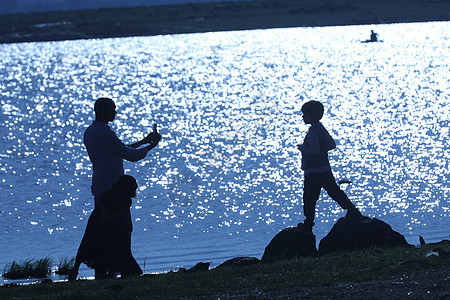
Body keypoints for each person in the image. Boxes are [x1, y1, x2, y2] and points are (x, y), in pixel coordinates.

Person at [297, 100, 362, 234]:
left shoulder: (313, 131)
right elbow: (332, 145)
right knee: (335, 192)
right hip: (325, 169)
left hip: (313, 172)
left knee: (309, 198)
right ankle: (353, 210)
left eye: (305, 114)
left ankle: (308, 224)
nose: (303, 117)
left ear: (313, 115)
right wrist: (322, 151)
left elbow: (314, 150)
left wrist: (303, 148)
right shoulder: (320, 129)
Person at [70, 175, 142, 280]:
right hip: (103, 223)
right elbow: (118, 212)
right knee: (117, 248)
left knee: (88, 245)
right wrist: (106, 216)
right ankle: (113, 270)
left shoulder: (108, 195)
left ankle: (76, 270)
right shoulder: (125, 200)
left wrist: (106, 216)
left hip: (100, 222)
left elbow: (101, 202)